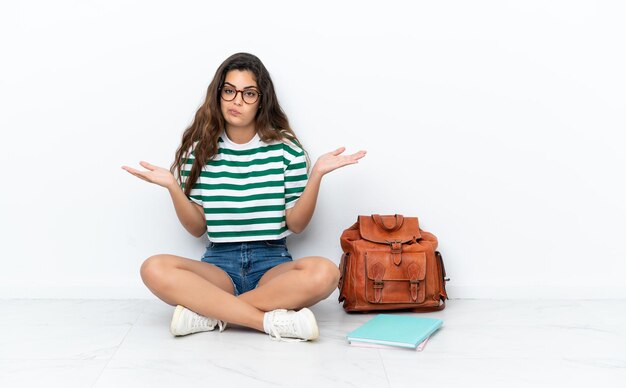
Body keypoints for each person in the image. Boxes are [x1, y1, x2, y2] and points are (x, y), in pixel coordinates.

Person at [122, 52, 366, 342]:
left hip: (272, 264)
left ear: (262, 100)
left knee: (325, 273)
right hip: (218, 266)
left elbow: (297, 224)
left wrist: (317, 176)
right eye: (229, 91)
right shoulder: (198, 152)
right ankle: (267, 321)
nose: (237, 101)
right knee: (153, 268)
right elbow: (197, 227)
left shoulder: (287, 151)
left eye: (248, 93)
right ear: (219, 95)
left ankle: (210, 314)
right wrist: (173, 188)